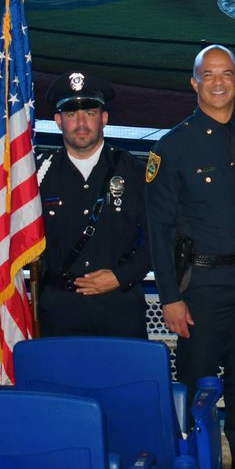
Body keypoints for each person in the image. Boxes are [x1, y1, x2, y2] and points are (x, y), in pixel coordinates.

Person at [145, 45, 235, 469]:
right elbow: (159, 231)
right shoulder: (173, 147)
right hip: (201, 284)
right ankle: (194, 460)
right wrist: (170, 297)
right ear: (195, 83)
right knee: (196, 379)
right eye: (209, 75)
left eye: (227, 73)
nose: (219, 81)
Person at [36, 70, 151, 338]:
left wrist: (120, 276)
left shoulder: (134, 172)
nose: (81, 123)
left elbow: (162, 238)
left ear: (104, 119)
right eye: (71, 114)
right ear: (58, 121)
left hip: (119, 309)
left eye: (89, 113)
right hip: (59, 312)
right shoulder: (38, 175)